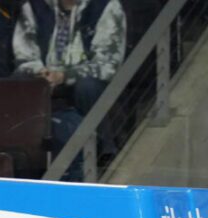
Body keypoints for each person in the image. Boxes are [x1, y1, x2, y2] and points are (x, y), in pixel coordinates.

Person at [13, 0, 126, 179]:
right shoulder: (34, 7)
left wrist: (65, 76)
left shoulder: (106, 6)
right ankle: (21, 154)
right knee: (20, 80)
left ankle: (104, 150)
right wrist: (41, 73)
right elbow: (24, 54)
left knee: (87, 87)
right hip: (45, 79)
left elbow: (108, 65)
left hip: (83, 83)